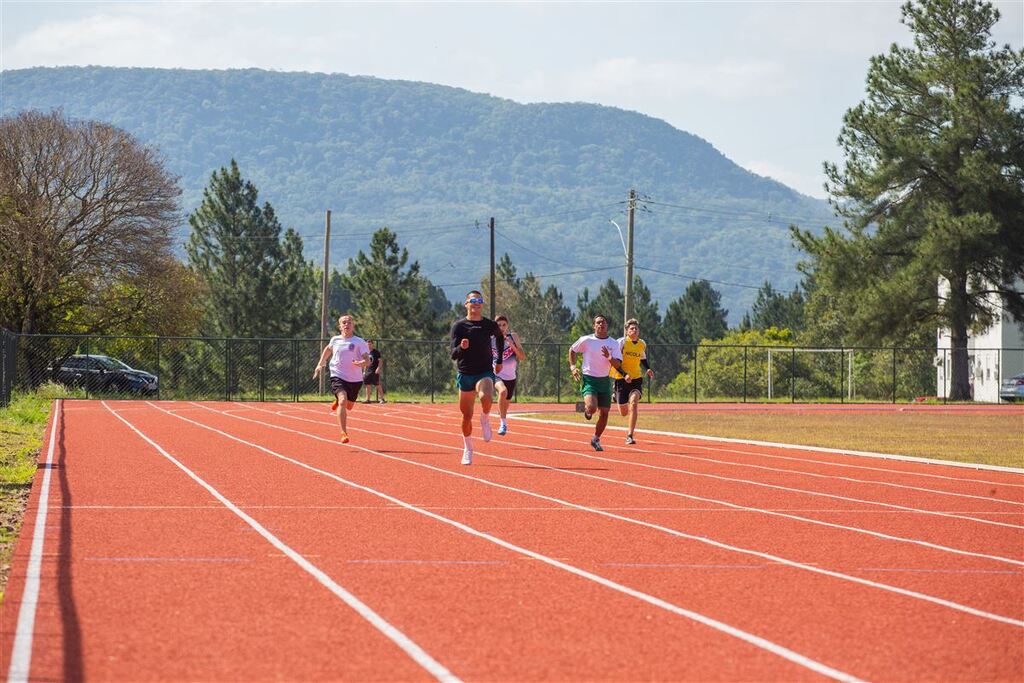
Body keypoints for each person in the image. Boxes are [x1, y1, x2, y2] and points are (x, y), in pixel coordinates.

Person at [450, 290, 504, 465]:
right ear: (466, 304)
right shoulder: (458, 326)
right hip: (465, 373)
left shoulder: (489, 325)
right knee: (466, 416)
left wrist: (500, 360)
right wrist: (461, 347)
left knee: (486, 396)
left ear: (482, 304)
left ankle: (485, 418)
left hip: (484, 371)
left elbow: (500, 338)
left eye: (479, 300)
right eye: (473, 300)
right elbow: (453, 354)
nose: (476, 303)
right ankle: (468, 448)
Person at [312, 314, 370, 444]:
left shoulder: (359, 341)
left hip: (355, 379)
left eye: (349, 322)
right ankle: (343, 432)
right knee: (343, 400)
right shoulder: (335, 340)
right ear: (340, 326)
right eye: (344, 322)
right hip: (337, 374)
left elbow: (368, 360)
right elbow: (328, 349)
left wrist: (361, 363)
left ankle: (338, 401)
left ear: (353, 325)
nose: (346, 324)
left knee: (349, 406)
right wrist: (320, 363)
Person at [569, 314, 623, 452]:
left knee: (604, 413)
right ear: (594, 326)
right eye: (598, 322)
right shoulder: (587, 340)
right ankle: (588, 410)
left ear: (607, 325)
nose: (601, 324)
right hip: (589, 378)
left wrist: (610, 358)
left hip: (604, 380)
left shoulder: (613, 343)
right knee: (593, 408)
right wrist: (573, 367)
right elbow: (572, 350)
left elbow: (618, 364)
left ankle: (596, 438)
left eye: (603, 322)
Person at [610, 318, 655, 445]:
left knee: (634, 403)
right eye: (631, 329)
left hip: (636, 378)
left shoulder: (642, 344)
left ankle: (629, 435)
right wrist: (624, 375)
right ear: (627, 331)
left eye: (636, 328)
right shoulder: (621, 343)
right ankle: (615, 395)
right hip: (621, 379)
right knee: (623, 412)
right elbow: (615, 362)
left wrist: (648, 368)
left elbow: (643, 357)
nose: (634, 330)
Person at [492, 315, 526, 436]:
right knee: (502, 392)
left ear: (507, 326)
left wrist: (512, 345)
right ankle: (503, 423)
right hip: (496, 374)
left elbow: (522, 357)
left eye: (504, 325)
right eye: (498, 325)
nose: (501, 327)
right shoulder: (490, 339)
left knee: (505, 405)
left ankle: (502, 414)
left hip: (511, 376)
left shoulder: (513, 337)